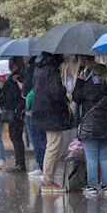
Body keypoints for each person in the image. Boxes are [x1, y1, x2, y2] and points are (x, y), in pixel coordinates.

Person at [72, 63, 107, 195]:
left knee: (91, 159)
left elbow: (76, 97)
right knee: (105, 159)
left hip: (89, 128)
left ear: (93, 73)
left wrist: (79, 81)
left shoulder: (87, 87)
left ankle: (91, 186)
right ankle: (106, 186)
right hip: (106, 127)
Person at [32, 52, 70, 193]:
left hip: (42, 110)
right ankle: (48, 181)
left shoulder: (39, 67)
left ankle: (48, 178)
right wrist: (64, 93)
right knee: (54, 146)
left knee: (55, 146)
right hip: (51, 112)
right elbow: (56, 92)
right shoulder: (51, 69)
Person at [23, 56, 47, 180]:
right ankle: (44, 167)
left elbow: (26, 90)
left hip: (33, 109)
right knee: (42, 139)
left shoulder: (33, 69)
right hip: (43, 108)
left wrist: (23, 88)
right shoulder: (47, 69)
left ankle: (42, 167)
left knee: (37, 140)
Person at [2, 57, 27, 173]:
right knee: (15, 138)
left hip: (16, 112)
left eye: (11, 64)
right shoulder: (15, 78)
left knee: (16, 138)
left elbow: (15, 95)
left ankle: (20, 164)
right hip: (15, 112)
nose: (9, 67)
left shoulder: (18, 78)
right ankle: (19, 163)